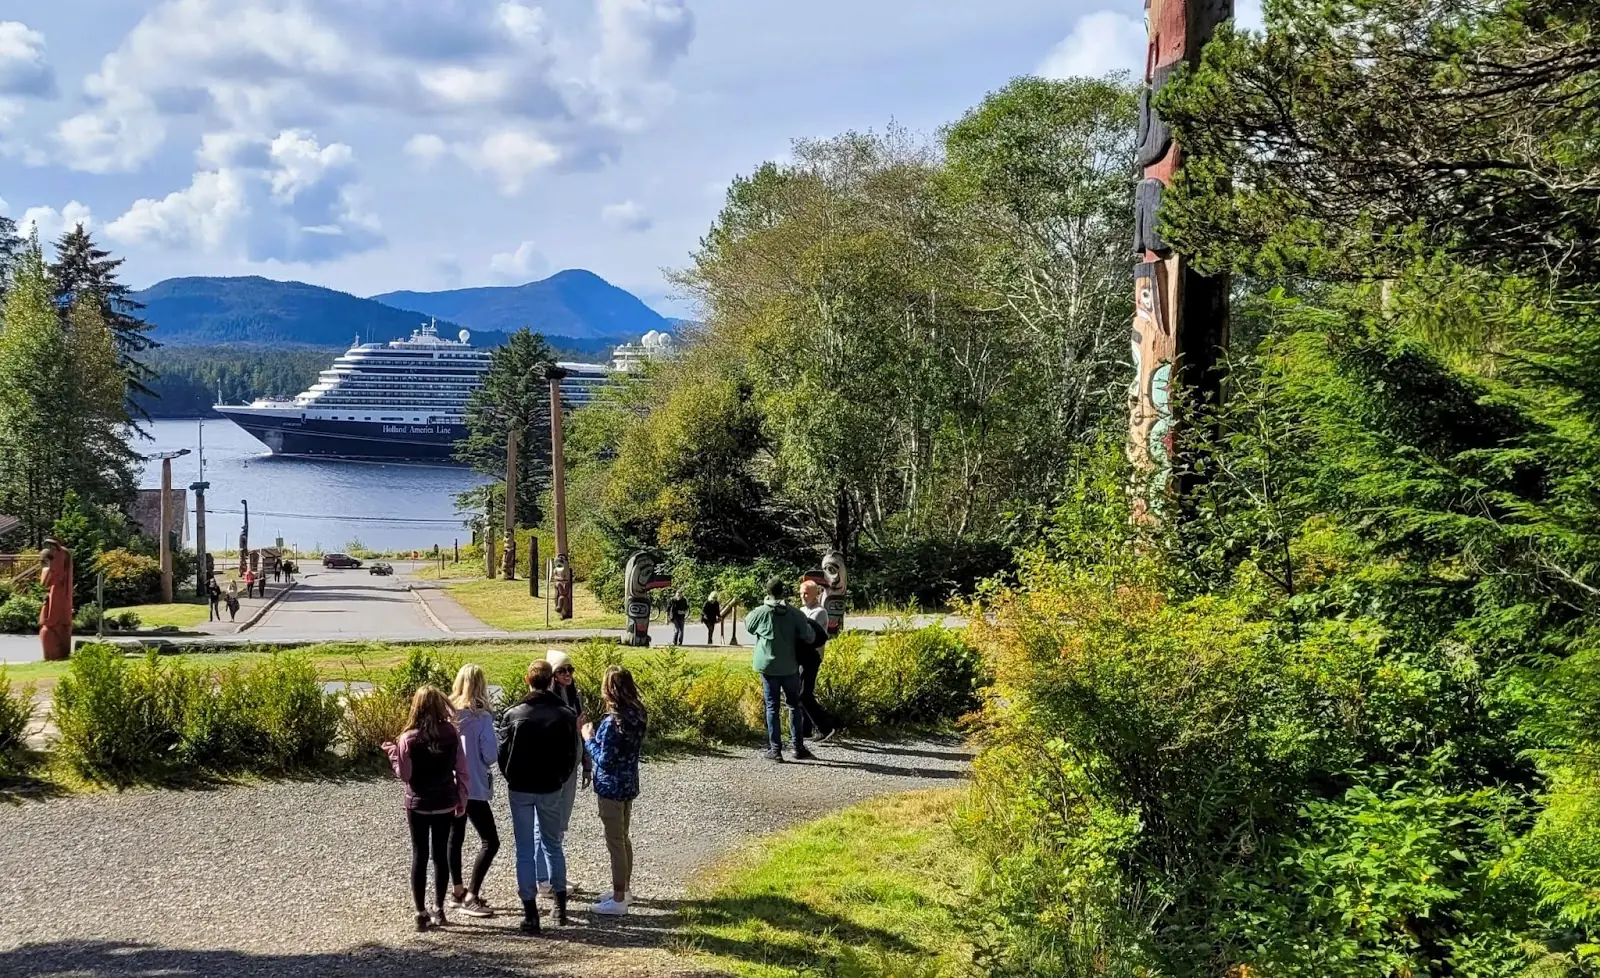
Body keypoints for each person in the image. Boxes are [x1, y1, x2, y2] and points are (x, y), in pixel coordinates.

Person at [497, 659, 579, 933]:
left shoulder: (513, 714)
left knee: (524, 849)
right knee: (553, 844)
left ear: (527, 680)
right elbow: (571, 753)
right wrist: (561, 777)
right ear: (551, 680)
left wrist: (511, 777)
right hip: (551, 785)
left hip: (521, 786)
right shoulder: (566, 714)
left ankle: (530, 912)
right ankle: (560, 907)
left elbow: (502, 753)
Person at [382, 686, 470, 932]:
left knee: (419, 856)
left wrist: (392, 754)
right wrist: (462, 798)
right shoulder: (451, 733)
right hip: (444, 801)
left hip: (418, 803)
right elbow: (462, 770)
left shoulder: (408, 738)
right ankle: (439, 908)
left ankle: (420, 912)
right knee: (440, 856)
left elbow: (405, 774)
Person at [582, 666, 647, 916]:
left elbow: (605, 760)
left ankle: (619, 897)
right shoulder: (638, 714)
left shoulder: (612, 722)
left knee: (615, 841)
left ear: (609, 690)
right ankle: (626, 889)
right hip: (629, 783)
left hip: (611, 787)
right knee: (624, 836)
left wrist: (588, 738)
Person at [447, 665, 500, 918]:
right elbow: (490, 755)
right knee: (490, 841)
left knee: (455, 837)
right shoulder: (482, 717)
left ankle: (457, 890)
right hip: (475, 785)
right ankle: (472, 895)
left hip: (452, 784)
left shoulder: (448, 714)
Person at [745, 576, 816, 762]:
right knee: (794, 706)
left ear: (768, 592)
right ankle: (798, 747)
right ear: (783, 592)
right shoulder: (795, 614)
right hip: (790, 666)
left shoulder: (760, 612)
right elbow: (809, 637)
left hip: (768, 667)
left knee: (772, 707)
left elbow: (749, 626)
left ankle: (775, 750)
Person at [542, 649, 592, 895]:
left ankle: (555, 873)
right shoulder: (547, 699)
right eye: (562, 670)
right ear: (552, 674)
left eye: (570, 669)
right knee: (547, 823)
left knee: (561, 823)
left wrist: (587, 763)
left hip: (572, 765)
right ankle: (546, 877)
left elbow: (581, 733)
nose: (567, 674)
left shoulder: (576, 696)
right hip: (553, 767)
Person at [796, 580, 838, 742]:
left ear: (815, 594)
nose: (802, 596)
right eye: (801, 593)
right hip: (801, 657)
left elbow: (807, 634)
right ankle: (805, 730)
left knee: (804, 694)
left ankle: (826, 726)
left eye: (806, 593)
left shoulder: (820, 612)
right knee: (800, 692)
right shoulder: (801, 610)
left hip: (812, 658)